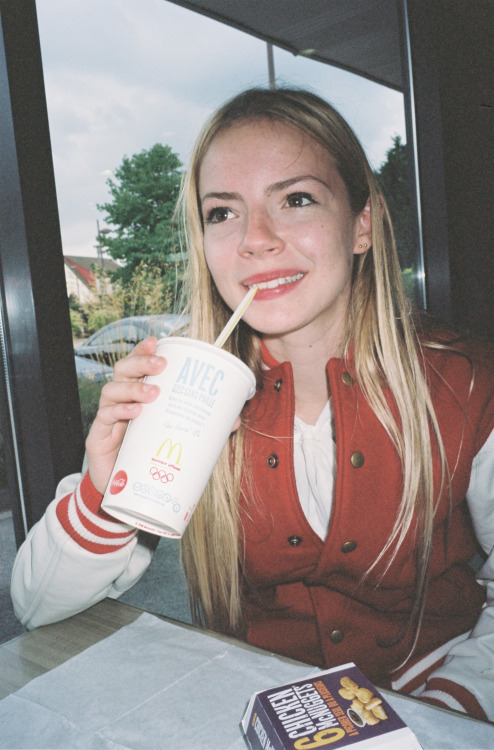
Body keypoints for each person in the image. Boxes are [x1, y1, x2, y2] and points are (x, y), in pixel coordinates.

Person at [11, 87, 494, 721]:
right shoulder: (182, 391)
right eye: (222, 212)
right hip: (251, 708)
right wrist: (106, 488)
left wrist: (444, 709)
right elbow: (36, 607)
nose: (255, 240)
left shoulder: (464, 380)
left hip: (434, 696)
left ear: (362, 224)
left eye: (296, 200)